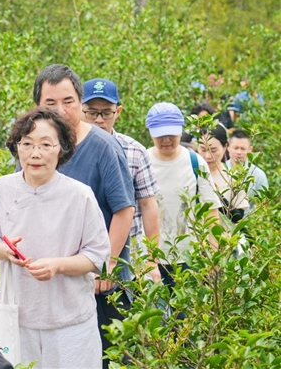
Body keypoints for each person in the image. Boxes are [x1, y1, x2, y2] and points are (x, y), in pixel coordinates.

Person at [0, 107, 111, 369]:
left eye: (45, 144)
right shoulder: (0, 189)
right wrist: (3, 251)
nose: (35, 153)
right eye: (26, 144)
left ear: (62, 148)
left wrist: (57, 266)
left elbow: (97, 256)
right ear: (17, 147)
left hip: (71, 323)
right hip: (17, 320)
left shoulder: (79, 195)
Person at [32, 65, 135, 368]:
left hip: (97, 287)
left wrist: (107, 266)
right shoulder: (32, 147)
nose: (60, 110)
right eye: (50, 103)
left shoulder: (103, 147)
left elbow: (124, 209)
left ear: (80, 102)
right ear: (37, 106)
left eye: (68, 101)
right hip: (49, 286)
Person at [80, 78, 161, 283]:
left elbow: (148, 205)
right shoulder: (68, 148)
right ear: (80, 110)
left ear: (118, 112)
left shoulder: (134, 151)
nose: (99, 119)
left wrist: (152, 260)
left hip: (125, 253)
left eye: (106, 112)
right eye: (91, 112)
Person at [145, 102, 221, 286]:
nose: (166, 140)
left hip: (188, 258)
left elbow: (211, 211)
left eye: (171, 134)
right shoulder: (143, 161)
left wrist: (214, 257)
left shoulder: (195, 162)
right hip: (151, 259)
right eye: (160, 135)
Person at [198, 124, 249, 223]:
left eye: (213, 150)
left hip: (224, 237)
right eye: (203, 149)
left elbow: (238, 217)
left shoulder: (233, 177)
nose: (208, 156)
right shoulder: (190, 174)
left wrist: (218, 196)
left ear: (225, 147)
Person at [226, 129, 269, 213]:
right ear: (228, 147)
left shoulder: (259, 175)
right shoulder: (221, 170)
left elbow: (263, 207)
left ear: (250, 149)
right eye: (236, 148)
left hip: (248, 222)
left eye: (243, 149)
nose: (239, 152)